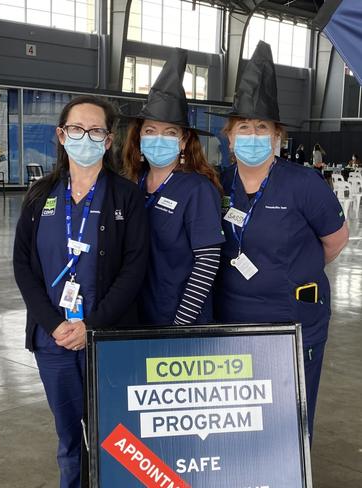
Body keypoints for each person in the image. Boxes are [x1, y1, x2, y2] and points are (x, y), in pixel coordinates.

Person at [213, 41, 349, 439]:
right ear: (230, 136)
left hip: (294, 321)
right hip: (233, 319)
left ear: (277, 135)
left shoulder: (303, 183)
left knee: (290, 415)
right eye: (244, 127)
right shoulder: (220, 183)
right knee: (242, 416)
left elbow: (336, 240)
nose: (252, 135)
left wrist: (291, 273)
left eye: (262, 128)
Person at [13, 95, 148, 488]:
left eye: (95, 131)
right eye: (76, 129)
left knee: (116, 435)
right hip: (53, 340)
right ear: (61, 135)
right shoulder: (41, 195)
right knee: (69, 438)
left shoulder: (126, 196)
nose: (84, 137)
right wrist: (54, 324)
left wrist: (92, 325)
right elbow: (23, 266)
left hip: (108, 338)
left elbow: (134, 268)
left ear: (108, 141)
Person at [122, 49, 224, 326]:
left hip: (180, 320)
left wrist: (180, 324)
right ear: (139, 137)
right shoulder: (134, 184)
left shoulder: (196, 189)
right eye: (150, 131)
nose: (159, 139)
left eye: (170, 133)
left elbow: (207, 262)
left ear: (182, 141)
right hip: (137, 316)